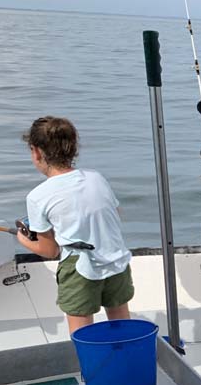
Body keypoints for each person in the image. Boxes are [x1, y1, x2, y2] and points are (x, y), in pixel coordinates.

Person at [15, 117, 134, 334]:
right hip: (116, 261)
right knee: (122, 328)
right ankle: (125, 363)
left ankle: (87, 367)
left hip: (80, 270)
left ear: (36, 152)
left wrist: (22, 238)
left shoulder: (37, 196)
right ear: (73, 148)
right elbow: (114, 213)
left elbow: (50, 251)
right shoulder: (96, 178)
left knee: (82, 337)